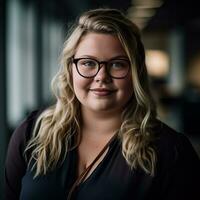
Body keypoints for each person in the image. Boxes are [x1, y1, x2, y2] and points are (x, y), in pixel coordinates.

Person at [5, 8, 200, 200]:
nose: (101, 77)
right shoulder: (31, 133)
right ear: (70, 68)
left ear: (135, 73)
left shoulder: (171, 152)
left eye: (117, 64)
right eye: (88, 63)